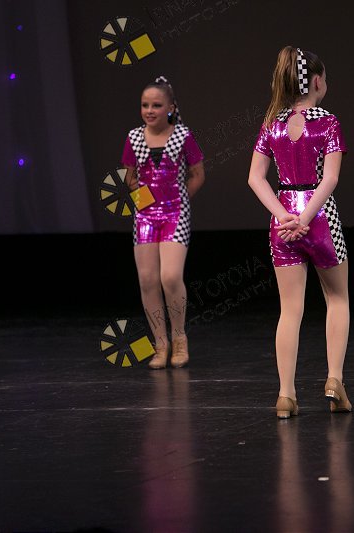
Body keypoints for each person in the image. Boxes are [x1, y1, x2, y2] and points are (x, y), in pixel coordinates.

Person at [248, 47, 352, 418]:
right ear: (318, 81)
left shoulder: (272, 124)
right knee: (337, 298)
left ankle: (286, 395)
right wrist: (306, 217)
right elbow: (331, 179)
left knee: (290, 310)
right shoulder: (328, 121)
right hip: (321, 218)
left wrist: (284, 217)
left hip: (283, 221)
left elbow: (255, 178)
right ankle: (334, 379)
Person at [121, 76, 205, 369]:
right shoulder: (134, 137)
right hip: (145, 215)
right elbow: (130, 177)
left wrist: (178, 201)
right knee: (147, 279)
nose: (150, 110)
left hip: (175, 213)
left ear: (170, 108)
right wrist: (145, 203)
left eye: (156, 105)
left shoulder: (182, 135)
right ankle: (160, 343)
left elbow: (197, 174)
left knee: (170, 276)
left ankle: (179, 337)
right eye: (145, 105)